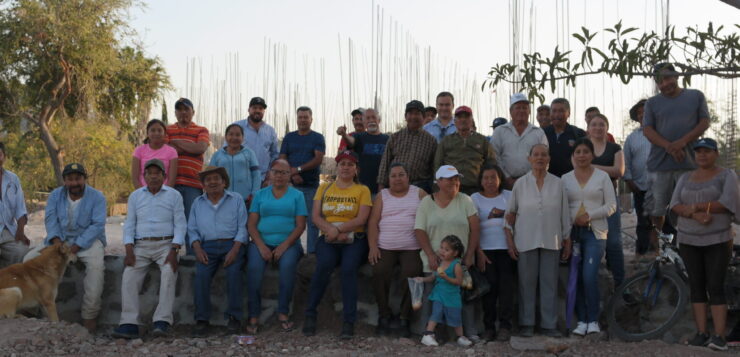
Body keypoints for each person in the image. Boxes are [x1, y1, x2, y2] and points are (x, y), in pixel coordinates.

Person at [669, 138, 739, 351]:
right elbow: (674, 204)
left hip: (718, 239)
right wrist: (695, 215)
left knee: (716, 286)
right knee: (697, 287)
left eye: (707, 151)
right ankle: (701, 333)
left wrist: (696, 207)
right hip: (688, 239)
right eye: (698, 151)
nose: (702, 155)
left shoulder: (727, 175)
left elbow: (728, 202)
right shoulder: (685, 177)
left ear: (716, 153)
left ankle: (719, 337)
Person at [24, 163, 106, 332]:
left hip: (87, 242)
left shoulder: (97, 197)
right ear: (65, 181)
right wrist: (57, 245)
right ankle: (30, 311)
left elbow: (97, 225)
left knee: (96, 269)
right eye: (70, 179)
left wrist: (75, 247)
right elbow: (50, 220)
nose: (74, 183)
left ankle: (89, 318)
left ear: (84, 179)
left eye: (78, 178)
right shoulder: (56, 195)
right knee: (28, 260)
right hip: (58, 241)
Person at [112, 159, 186, 339]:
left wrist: (174, 250)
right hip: (141, 246)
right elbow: (129, 224)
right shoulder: (136, 196)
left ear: (164, 176)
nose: (153, 176)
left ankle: (162, 322)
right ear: (144, 176)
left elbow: (180, 224)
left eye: (157, 173)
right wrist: (129, 249)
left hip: (166, 245)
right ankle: (129, 323)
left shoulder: (174, 195)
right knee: (129, 276)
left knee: (169, 272)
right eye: (149, 173)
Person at [302, 151, 372, 339]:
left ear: (356, 169)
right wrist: (331, 231)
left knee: (349, 269)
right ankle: (310, 314)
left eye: (350, 164)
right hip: (329, 238)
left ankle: (349, 320)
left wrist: (338, 230)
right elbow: (315, 217)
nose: (346, 167)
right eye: (342, 164)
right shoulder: (324, 188)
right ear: (337, 167)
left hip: (354, 238)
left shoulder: (362, 190)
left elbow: (362, 218)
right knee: (323, 266)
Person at [504, 144, 571, 338]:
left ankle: (549, 325)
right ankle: (527, 323)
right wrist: (510, 239)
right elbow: (510, 214)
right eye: (536, 155)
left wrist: (567, 238)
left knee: (549, 282)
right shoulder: (520, 184)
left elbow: (564, 213)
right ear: (529, 158)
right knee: (526, 283)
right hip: (525, 238)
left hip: (552, 238)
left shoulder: (558, 183)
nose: (540, 158)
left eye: (543, 155)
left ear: (549, 158)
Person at [643, 63, 710, 237]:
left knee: (691, 205)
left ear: (676, 76)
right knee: (657, 210)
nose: (664, 84)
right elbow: (648, 130)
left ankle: (689, 241)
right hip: (659, 165)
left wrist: (682, 142)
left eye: (667, 78)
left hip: (690, 163)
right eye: (660, 81)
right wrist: (670, 147)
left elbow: (704, 122)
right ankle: (659, 248)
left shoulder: (695, 96)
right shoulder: (652, 103)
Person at [414, 165, 480, 339]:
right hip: (435, 260)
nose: (454, 182)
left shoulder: (465, 200)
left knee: (464, 296)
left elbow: (475, 229)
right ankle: (427, 333)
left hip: (460, 261)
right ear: (439, 181)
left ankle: (469, 333)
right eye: (449, 179)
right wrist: (430, 254)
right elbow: (419, 230)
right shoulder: (427, 202)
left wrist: (470, 254)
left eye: (456, 178)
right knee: (432, 297)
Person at [562, 138, 617, 336]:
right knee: (575, 277)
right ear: (573, 156)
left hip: (596, 232)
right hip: (573, 234)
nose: (582, 155)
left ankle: (593, 319)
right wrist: (573, 219)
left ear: (592, 155)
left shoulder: (602, 177)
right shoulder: (565, 179)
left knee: (589, 274)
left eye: (586, 151)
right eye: (578, 152)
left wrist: (589, 216)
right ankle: (581, 320)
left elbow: (612, 206)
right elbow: (561, 207)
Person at [247, 159, 307, 334]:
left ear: (290, 175)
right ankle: (253, 314)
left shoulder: (297, 196)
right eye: (276, 171)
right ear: (269, 174)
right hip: (261, 242)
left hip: (289, 243)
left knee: (288, 268)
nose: (279, 176)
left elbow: (300, 225)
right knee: (254, 269)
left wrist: (283, 246)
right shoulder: (260, 195)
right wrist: (261, 246)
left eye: (284, 172)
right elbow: (251, 225)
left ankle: (283, 312)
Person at [187, 166, 248, 336]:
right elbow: (192, 229)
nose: (212, 182)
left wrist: (235, 249)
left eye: (216, 178)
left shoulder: (236, 199)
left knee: (234, 273)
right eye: (208, 180)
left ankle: (234, 318)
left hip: (232, 244)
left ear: (224, 182)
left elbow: (242, 227)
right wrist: (197, 248)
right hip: (207, 247)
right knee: (201, 276)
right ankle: (202, 320)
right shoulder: (197, 203)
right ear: (203, 185)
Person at [367, 162, 426, 337]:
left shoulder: (419, 193)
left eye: (401, 175)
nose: (397, 179)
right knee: (379, 270)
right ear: (388, 179)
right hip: (385, 246)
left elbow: (431, 215)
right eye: (393, 176)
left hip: (412, 246)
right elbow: (373, 222)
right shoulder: (382, 195)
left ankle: (404, 318)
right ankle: (384, 315)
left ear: (408, 177)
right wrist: (372, 247)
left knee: (414, 273)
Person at [471, 165, 513, 342]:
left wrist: (512, 245)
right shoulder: (474, 198)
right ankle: (488, 327)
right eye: (486, 177)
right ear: (480, 180)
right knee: (489, 289)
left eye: (493, 177)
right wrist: (478, 252)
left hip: (506, 249)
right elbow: (473, 227)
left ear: (499, 179)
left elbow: (512, 222)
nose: (489, 181)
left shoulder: (509, 196)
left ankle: (505, 326)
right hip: (486, 250)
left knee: (506, 288)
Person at [279, 106, 325, 254]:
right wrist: (292, 174)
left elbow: (318, 159)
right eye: (300, 117)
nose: (303, 120)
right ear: (297, 119)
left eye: (306, 117)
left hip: (311, 187)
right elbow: (282, 158)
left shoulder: (318, 137)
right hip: (290, 186)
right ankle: (294, 250)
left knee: (312, 222)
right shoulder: (289, 137)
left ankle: (311, 253)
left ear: (311, 119)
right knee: (291, 221)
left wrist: (298, 169)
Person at [167, 98, 210, 253]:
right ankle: (171, 255)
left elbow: (200, 147)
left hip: (193, 184)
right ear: (175, 112)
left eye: (186, 109)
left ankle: (192, 256)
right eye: (179, 109)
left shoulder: (201, 130)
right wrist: (189, 147)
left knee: (192, 222)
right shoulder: (167, 130)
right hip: (171, 183)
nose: (183, 112)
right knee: (171, 221)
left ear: (193, 112)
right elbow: (168, 151)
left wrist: (177, 142)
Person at [588, 114, 625, 287]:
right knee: (590, 242)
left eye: (602, 124)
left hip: (609, 198)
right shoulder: (583, 146)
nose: (598, 127)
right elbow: (577, 167)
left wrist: (592, 167)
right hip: (586, 199)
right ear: (588, 128)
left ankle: (621, 284)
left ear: (607, 128)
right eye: (594, 124)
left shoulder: (615, 148)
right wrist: (606, 170)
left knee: (614, 242)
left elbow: (619, 171)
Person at [417, 235, 473, 347]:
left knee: (456, 317)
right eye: (441, 247)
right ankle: (428, 335)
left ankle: (460, 337)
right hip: (439, 294)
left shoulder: (456, 265)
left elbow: (459, 281)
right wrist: (422, 279)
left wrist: (446, 277)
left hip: (452, 296)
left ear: (455, 253)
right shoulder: (441, 262)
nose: (442, 251)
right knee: (436, 313)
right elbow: (434, 276)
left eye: (447, 250)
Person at [377, 100, 437, 194]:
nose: (413, 116)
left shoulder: (431, 141)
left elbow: (433, 168)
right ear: (406, 116)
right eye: (410, 113)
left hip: (420, 187)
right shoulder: (395, 137)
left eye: (417, 113)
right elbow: (385, 163)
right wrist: (381, 190)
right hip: (395, 185)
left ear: (423, 117)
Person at [434, 106, 497, 195]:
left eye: (466, 117)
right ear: (454, 121)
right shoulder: (446, 141)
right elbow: (438, 164)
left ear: (471, 120)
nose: (463, 120)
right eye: (459, 117)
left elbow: (491, 163)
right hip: (451, 187)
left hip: (476, 188)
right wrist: (437, 186)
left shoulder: (482, 140)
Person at [491, 93, 548, 189]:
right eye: (518, 107)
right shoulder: (499, 131)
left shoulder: (538, 133)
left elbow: (545, 158)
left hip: (533, 184)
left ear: (529, 111)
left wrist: (532, 178)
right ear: (511, 111)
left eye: (525, 108)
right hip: (505, 184)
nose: (521, 110)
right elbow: (494, 157)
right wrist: (507, 178)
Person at [623, 99, 654, 256]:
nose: (642, 115)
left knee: (668, 222)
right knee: (643, 222)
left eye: (646, 111)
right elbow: (625, 161)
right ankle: (642, 255)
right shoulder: (632, 138)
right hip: (640, 186)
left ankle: (670, 255)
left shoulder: (663, 133)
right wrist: (629, 181)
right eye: (639, 113)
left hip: (663, 186)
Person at [209, 124, 261, 205]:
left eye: (238, 135)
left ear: (242, 138)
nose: (234, 138)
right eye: (231, 134)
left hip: (246, 200)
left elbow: (256, 175)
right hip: (223, 200)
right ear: (226, 137)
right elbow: (210, 176)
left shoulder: (249, 153)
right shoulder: (217, 155)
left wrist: (254, 194)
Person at [234, 97, 279, 185]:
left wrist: (270, 173)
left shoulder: (270, 131)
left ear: (264, 111)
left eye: (260, 108)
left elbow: (275, 154)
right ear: (249, 109)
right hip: (241, 178)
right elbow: (227, 149)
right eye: (254, 108)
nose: (257, 110)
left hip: (264, 180)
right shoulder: (237, 127)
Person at [343, 108, 389, 196]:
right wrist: (344, 135)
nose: (371, 120)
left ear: (379, 120)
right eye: (368, 118)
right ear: (364, 122)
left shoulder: (387, 139)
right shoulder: (358, 137)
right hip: (362, 188)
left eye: (373, 117)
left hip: (383, 189)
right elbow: (351, 141)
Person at [0, 142, 30, 267]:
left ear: (4, 157)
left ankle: (9, 282)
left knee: (21, 250)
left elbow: (20, 208)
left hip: (7, 229)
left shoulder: (13, 179)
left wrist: (20, 231)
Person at [543, 98, 586, 177]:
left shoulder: (579, 133)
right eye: (554, 111)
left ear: (568, 113)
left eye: (561, 111)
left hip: (573, 180)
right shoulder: (542, 133)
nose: (557, 114)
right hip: (548, 181)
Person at [131, 119, 178, 188]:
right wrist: (142, 193)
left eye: (159, 130)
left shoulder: (172, 152)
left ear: (165, 134)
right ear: (147, 133)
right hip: (143, 192)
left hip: (164, 193)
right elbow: (135, 178)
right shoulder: (139, 151)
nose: (156, 133)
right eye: (153, 130)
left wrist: (166, 194)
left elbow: (172, 179)